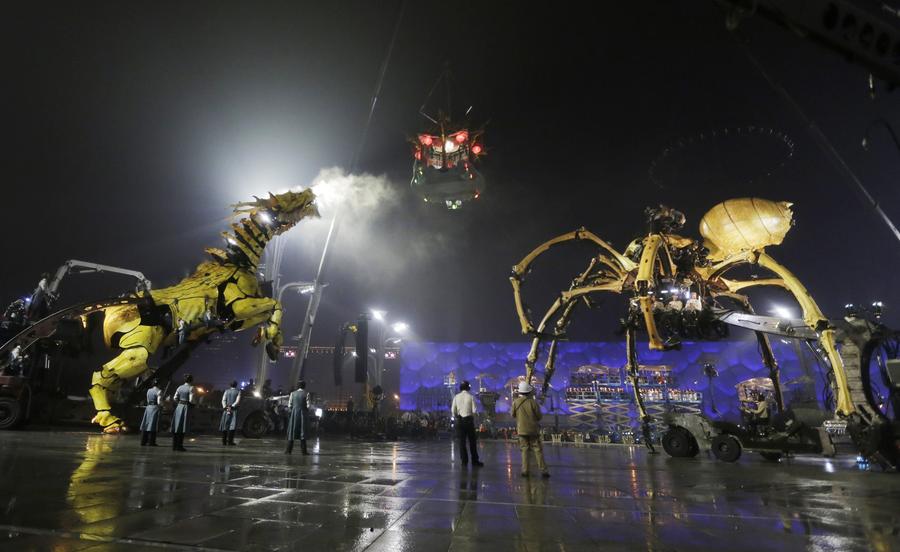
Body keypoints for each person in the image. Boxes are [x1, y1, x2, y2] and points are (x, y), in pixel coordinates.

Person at [512, 381, 549, 478]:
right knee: (537, 450)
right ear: (529, 392)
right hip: (533, 430)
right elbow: (539, 416)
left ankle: (525, 471)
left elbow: (512, 414)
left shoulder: (515, 402)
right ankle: (543, 470)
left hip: (522, 430)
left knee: (524, 450)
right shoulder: (533, 403)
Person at [451, 381, 483, 467]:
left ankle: (464, 461)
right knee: (472, 442)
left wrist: (457, 416)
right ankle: (475, 461)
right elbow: (475, 411)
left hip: (460, 421)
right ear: (468, 388)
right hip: (469, 421)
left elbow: (453, 411)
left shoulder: (456, 397)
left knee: (462, 442)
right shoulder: (471, 397)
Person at [170, 374, 195, 451]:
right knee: (182, 427)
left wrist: (179, 402)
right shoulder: (191, 388)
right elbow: (191, 400)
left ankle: (174, 446)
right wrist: (193, 404)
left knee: (177, 426)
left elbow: (175, 398)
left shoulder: (179, 387)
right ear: (191, 380)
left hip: (179, 406)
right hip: (186, 407)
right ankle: (179, 446)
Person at [285, 380, 310, 455]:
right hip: (302, 414)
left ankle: (288, 451)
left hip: (294, 414)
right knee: (302, 432)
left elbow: (289, 405)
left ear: (298, 386)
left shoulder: (292, 393)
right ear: (304, 386)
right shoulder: (307, 394)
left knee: (292, 431)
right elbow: (308, 406)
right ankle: (304, 452)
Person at [140, 379, 162, 446]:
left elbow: (148, 399)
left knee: (146, 424)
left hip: (148, 407)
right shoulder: (159, 391)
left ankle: (143, 441)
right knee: (153, 425)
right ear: (159, 384)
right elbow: (159, 402)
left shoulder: (149, 390)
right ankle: (152, 442)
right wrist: (162, 405)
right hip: (155, 408)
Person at [220, 380, 241, 446]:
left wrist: (225, 407)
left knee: (225, 425)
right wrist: (232, 406)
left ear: (230, 385)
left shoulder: (226, 391)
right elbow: (237, 402)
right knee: (232, 426)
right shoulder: (238, 391)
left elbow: (223, 400)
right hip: (233, 410)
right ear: (236, 385)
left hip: (226, 410)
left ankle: (224, 441)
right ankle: (230, 441)